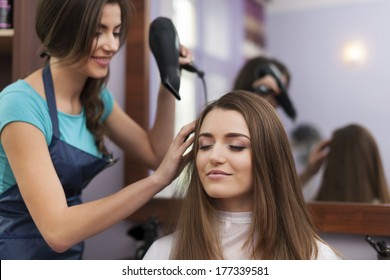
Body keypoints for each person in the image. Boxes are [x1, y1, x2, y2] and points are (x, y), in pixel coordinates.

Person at [0, 0, 195, 259]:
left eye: (116, 32)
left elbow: (155, 153)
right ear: (62, 30)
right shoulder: (21, 104)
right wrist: (157, 181)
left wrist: (169, 78)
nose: (112, 45)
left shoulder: (96, 98)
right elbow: (58, 231)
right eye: (97, 32)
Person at [143, 90, 341, 260]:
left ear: (269, 157)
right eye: (205, 146)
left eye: (236, 146)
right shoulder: (163, 255)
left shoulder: (316, 259)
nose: (215, 156)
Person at [232, 56, 328, 187]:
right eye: (270, 89)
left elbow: (279, 194)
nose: (276, 98)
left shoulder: (272, 129)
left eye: (282, 92)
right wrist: (256, 100)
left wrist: (309, 171)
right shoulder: (227, 122)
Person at [315, 124, 390, 203]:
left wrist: (308, 172)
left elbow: (300, 207)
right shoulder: (384, 211)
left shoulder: (311, 211)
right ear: (374, 160)